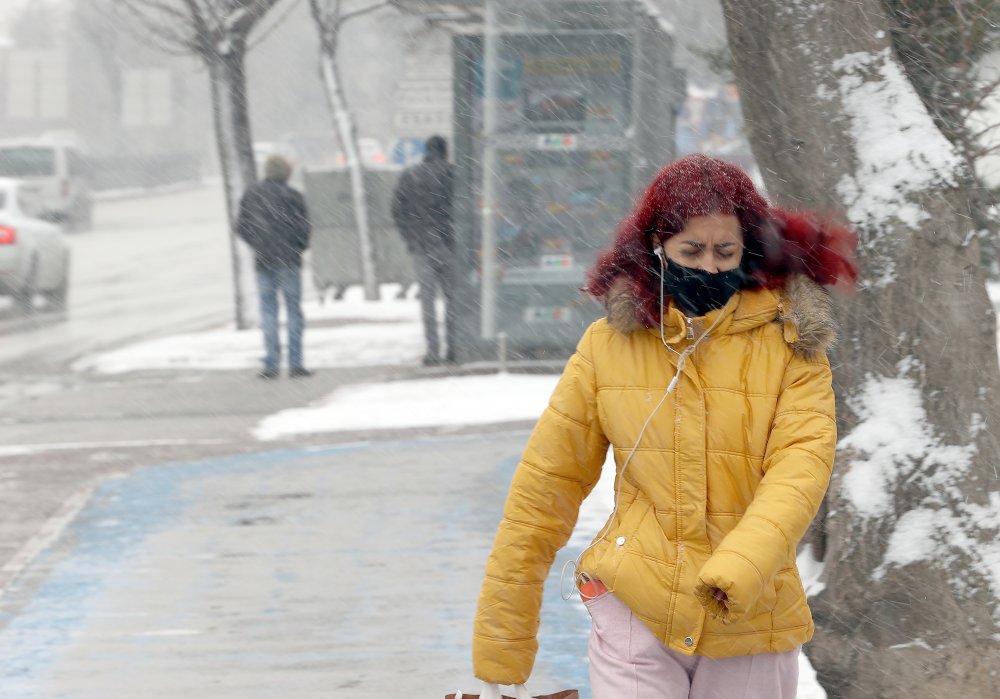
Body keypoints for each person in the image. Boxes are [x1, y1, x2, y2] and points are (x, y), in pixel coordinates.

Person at [472, 154, 858, 698]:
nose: (709, 267)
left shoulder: (792, 344)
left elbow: (801, 467)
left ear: (749, 248)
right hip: (635, 606)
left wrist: (743, 562)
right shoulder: (609, 346)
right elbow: (545, 488)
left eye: (726, 251)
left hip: (752, 613)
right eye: (691, 251)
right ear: (657, 248)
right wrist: (502, 644)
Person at [236, 154, 312, 379]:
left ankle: (271, 364)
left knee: (268, 311)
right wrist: (297, 246)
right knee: (293, 311)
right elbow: (304, 228)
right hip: (289, 259)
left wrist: (258, 243)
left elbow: (241, 226)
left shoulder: (252, 195)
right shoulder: (293, 196)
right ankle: (296, 364)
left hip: (263, 259)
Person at [391, 135, 457, 366]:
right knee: (453, 299)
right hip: (449, 245)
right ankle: (453, 348)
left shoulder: (410, 175)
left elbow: (397, 210)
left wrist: (410, 237)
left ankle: (432, 351)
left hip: (421, 246)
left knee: (427, 301)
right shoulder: (453, 173)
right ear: (445, 151)